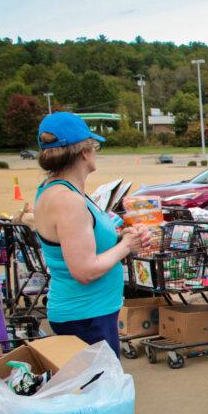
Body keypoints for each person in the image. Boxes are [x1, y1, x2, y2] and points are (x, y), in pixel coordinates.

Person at [33, 112, 150, 356]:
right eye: (94, 146)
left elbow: (83, 244)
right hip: (86, 317)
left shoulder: (58, 190)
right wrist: (126, 245)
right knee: (101, 391)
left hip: (91, 313)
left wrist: (123, 239)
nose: (95, 152)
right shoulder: (67, 200)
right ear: (84, 152)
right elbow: (84, 271)